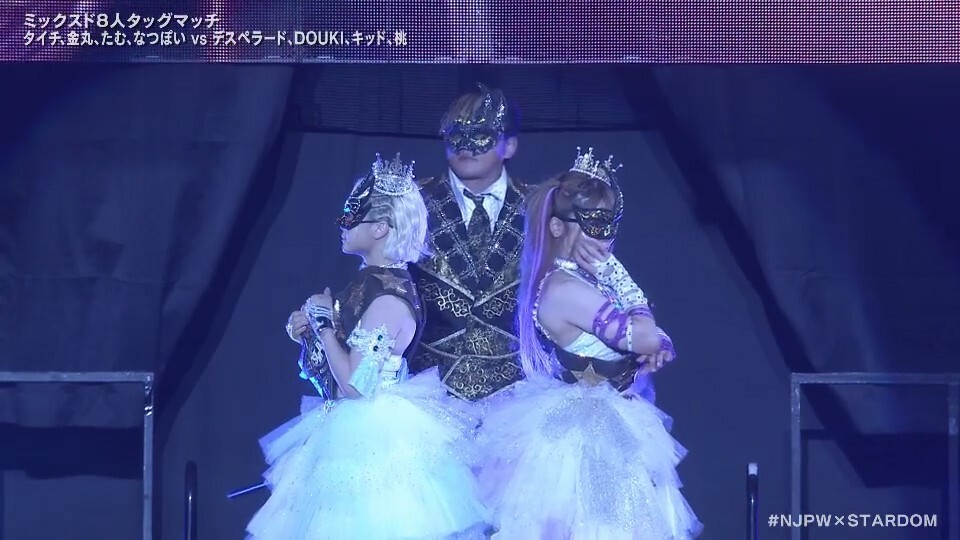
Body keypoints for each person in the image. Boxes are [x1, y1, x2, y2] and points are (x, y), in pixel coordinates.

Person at [247, 154, 489, 540]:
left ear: (380, 228)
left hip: (373, 443)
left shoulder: (388, 299)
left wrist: (324, 324)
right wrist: (309, 333)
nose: (341, 224)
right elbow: (333, 373)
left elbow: (355, 385)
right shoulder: (370, 284)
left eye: (351, 217)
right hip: (348, 427)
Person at [477, 148, 703, 539]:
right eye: (592, 224)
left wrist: (658, 342)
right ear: (557, 227)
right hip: (582, 436)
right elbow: (644, 334)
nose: (604, 238)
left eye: (608, 224)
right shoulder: (566, 288)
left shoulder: (584, 282)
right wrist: (617, 274)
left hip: (611, 417)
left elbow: (648, 336)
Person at [407, 83, 530, 403]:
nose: (466, 145)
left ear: (509, 145)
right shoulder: (411, 201)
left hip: (519, 392)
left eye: (481, 134)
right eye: (456, 134)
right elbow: (381, 275)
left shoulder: (541, 206)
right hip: (426, 391)